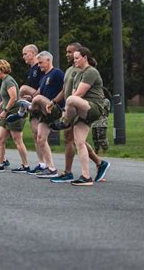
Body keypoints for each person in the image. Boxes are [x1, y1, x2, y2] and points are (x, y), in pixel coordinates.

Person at [48, 43, 111, 183]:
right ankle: (86, 176)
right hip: (82, 111)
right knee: (79, 142)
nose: (74, 60)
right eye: (74, 58)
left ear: (85, 58)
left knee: (71, 99)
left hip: (94, 107)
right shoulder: (77, 73)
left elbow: (78, 94)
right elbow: (69, 92)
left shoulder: (91, 72)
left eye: (77, 58)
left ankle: (64, 122)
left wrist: (66, 114)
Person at [9, 51, 64, 178]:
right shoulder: (44, 77)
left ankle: (26, 109)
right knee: (40, 138)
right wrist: (31, 98)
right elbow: (40, 92)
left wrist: (55, 101)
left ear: (49, 60)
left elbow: (65, 88)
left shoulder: (57, 73)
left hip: (55, 107)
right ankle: (51, 168)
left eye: (41, 62)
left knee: (38, 98)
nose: (39, 66)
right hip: (45, 111)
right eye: (38, 63)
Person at [0, 60, 29, 172]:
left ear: (2, 69)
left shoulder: (9, 81)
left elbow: (14, 97)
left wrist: (5, 111)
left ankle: (25, 165)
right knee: (0, 139)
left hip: (14, 113)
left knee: (17, 140)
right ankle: (0, 164)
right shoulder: (4, 81)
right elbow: (6, 99)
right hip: (7, 113)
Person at [17, 44, 45, 173]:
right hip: (33, 103)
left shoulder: (39, 67)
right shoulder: (29, 71)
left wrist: (35, 95)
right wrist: (29, 98)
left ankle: (20, 109)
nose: (23, 57)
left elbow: (43, 85)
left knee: (22, 88)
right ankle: (41, 163)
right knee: (35, 134)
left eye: (25, 54)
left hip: (41, 101)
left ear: (33, 53)